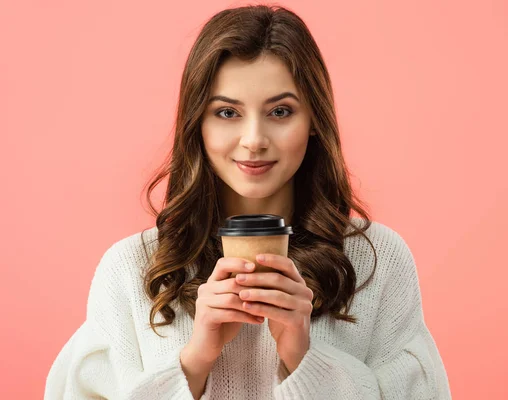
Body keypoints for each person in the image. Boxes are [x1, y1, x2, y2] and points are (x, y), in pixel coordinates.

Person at [45, 4, 451, 399]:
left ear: (314, 121)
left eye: (280, 111)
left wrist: (303, 358)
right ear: (197, 125)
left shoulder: (377, 261)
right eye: (226, 113)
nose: (254, 140)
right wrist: (193, 363)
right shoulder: (132, 270)